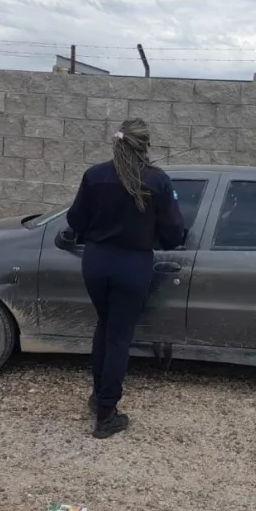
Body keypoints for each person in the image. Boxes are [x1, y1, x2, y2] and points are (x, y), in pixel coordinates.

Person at [64, 118, 187, 439]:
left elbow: (75, 219)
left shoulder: (95, 176)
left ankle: (98, 398)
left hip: (96, 262)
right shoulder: (158, 181)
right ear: (145, 145)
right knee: (118, 336)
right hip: (133, 265)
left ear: (117, 142)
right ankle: (106, 414)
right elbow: (175, 233)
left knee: (104, 327)